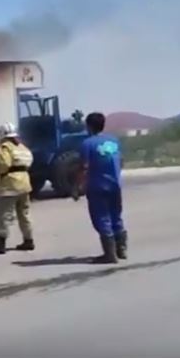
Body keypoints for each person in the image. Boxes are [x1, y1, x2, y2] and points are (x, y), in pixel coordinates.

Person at [78, 112, 127, 264]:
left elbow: (84, 168)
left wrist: (79, 186)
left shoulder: (87, 144)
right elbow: (122, 161)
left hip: (97, 187)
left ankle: (109, 254)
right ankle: (121, 249)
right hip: (115, 186)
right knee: (116, 216)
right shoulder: (114, 141)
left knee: (102, 218)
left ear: (88, 126)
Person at [0, 122, 35, 254]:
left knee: (4, 214)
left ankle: (0, 244)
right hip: (25, 184)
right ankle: (28, 240)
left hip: (10, 185)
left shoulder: (5, 147)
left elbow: (3, 164)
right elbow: (29, 162)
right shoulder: (22, 147)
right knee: (25, 214)